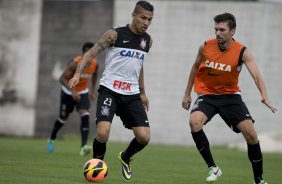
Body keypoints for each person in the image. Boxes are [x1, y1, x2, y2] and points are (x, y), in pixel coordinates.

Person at [182, 13, 277, 184]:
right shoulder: (205, 46)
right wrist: (187, 93)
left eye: (222, 30)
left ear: (232, 31)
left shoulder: (242, 51)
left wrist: (264, 96)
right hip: (207, 95)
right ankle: (213, 167)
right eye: (216, 29)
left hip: (230, 97)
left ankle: (259, 180)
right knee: (194, 121)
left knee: (251, 135)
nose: (218, 33)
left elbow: (256, 75)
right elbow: (195, 67)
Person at [69, 1, 154, 181]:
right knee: (102, 132)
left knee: (144, 137)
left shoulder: (147, 41)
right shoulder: (114, 34)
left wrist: (142, 92)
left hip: (131, 95)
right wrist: (77, 73)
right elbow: (90, 54)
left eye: (150, 19)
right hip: (110, 91)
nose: (146, 22)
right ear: (134, 15)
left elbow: (138, 65)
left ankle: (125, 157)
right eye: (143, 18)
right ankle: (96, 167)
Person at [47, 42, 99, 156]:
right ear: (83, 53)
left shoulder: (95, 64)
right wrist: (73, 91)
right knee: (62, 119)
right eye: (87, 53)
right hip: (68, 93)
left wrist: (92, 91)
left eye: (92, 53)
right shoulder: (74, 64)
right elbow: (62, 79)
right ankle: (51, 138)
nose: (89, 56)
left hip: (83, 92)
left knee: (85, 116)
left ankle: (83, 147)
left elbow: (95, 75)